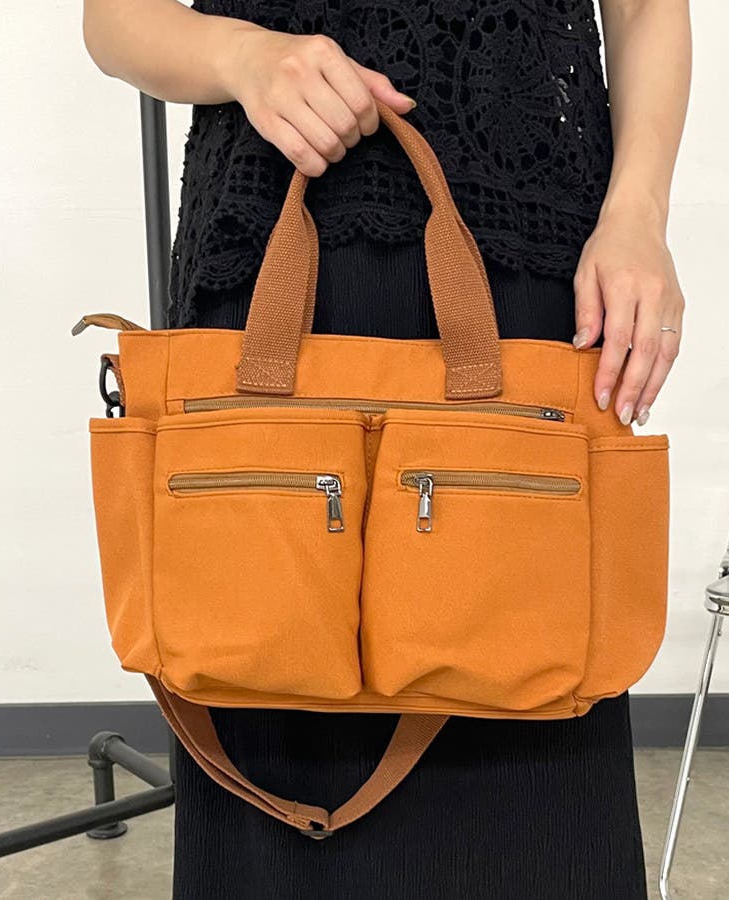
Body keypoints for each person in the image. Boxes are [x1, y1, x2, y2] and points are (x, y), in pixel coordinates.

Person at [83, 1, 690, 897]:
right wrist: (240, 55)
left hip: (529, 243)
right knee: (260, 675)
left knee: (534, 697)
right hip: (265, 237)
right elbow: (112, 18)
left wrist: (639, 212)